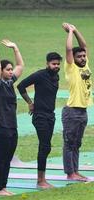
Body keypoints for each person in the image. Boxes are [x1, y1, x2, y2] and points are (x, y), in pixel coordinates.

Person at [17, 52, 62, 189]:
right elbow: (21, 86)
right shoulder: (40, 75)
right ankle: (40, 180)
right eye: (54, 64)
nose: (56, 66)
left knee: (46, 147)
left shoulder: (56, 76)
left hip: (50, 116)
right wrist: (30, 102)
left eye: (58, 64)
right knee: (45, 146)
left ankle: (42, 178)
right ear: (47, 63)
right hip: (40, 116)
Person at [0, 38, 24, 196]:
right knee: (1, 157)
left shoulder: (9, 83)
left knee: (8, 158)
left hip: (11, 125)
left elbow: (21, 66)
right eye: (8, 70)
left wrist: (15, 48)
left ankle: (3, 187)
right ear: (1, 71)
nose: (11, 71)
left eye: (11, 69)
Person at [61, 23, 93, 181]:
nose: (82, 58)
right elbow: (68, 49)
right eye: (79, 56)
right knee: (69, 143)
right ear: (73, 59)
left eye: (83, 56)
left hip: (82, 111)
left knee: (77, 144)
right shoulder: (71, 68)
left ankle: (76, 171)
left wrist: (76, 29)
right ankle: (70, 173)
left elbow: (84, 45)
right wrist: (70, 33)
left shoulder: (85, 64)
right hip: (72, 111)